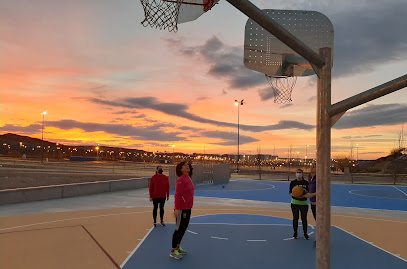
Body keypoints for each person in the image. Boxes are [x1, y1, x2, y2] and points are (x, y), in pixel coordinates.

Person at [170, 162, 195, 260]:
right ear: (181, 169)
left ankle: (178, 247)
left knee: (183, 229)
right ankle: (173, 250)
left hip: (188, 208)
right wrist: (177, 208)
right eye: (184, 165)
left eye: (187, 165)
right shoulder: (180, 180)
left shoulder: (188, 178)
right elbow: (177, 194)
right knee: (178, 229)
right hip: (181, 209)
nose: (187, 166)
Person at [289, 168, 310, 240]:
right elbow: (290, 193)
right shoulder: (293, 183)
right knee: (295, 218)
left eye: (300, 172)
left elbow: (309, 192)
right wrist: (295, 195)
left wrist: (304, 194)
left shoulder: (306, 183)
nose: (298, 173)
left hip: (304, 203)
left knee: (304, 219)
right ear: (295, 174)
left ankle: (305, 234)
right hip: (294, 203)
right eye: (297, 172)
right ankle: (295, 233)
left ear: (302, 173)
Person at [306, 166, 317, 247]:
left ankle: (320, 239)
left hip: (319, 203)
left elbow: (321, 189)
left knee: (319, 222)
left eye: (314, 167)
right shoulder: (310, 178)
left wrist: (312, 194)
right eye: (311, 167)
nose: (312, 168)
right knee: (317, 221)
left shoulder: (319, 178)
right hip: (312, 202)